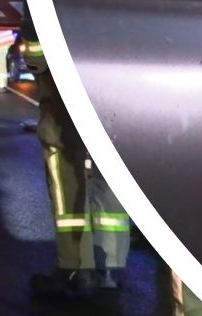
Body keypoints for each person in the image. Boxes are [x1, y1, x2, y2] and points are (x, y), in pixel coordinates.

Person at [21, 17, 131, 298]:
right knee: (111, 181)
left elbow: (36, 53)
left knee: (67, 182)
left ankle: (75, 267)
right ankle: (111, 268)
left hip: (65, 97)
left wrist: (38, 64)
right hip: (117, 87)